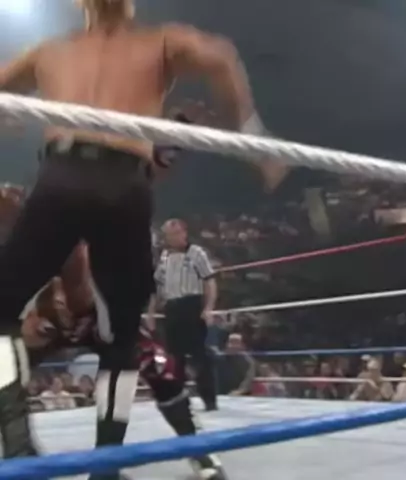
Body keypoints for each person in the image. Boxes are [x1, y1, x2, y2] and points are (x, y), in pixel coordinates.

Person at [0, 0, 286, 465]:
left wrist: (8, 116)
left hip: (64, 178)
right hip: (123, 184)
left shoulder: (49, 52)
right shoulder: (160, 41)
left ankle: (20, 445)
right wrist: (253, 134)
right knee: (122, 340)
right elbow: (220, 55)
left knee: (10, 312)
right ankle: (104, 465)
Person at [22, 240, 227, 480]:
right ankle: (21, 460)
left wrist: (105, 465)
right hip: (44, 321)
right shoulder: (32, 277)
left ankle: (197, 450)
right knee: (9, 372)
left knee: (160, 369)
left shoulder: (115, 279)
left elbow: (121, 371)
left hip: (108, 323)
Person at [150, 219, 218, 411]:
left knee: (199, 355)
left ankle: (209, 400)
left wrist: (208, 307)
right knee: (174, 358)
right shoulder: (164, 257)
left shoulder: (196, 253)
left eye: (175, 233)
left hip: (192, 306)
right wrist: (151, 313)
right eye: (168, 235)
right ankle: (180, 400)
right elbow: (157, 287)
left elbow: (209, 281)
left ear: (184, 233)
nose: (171, 238)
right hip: (172, 308)